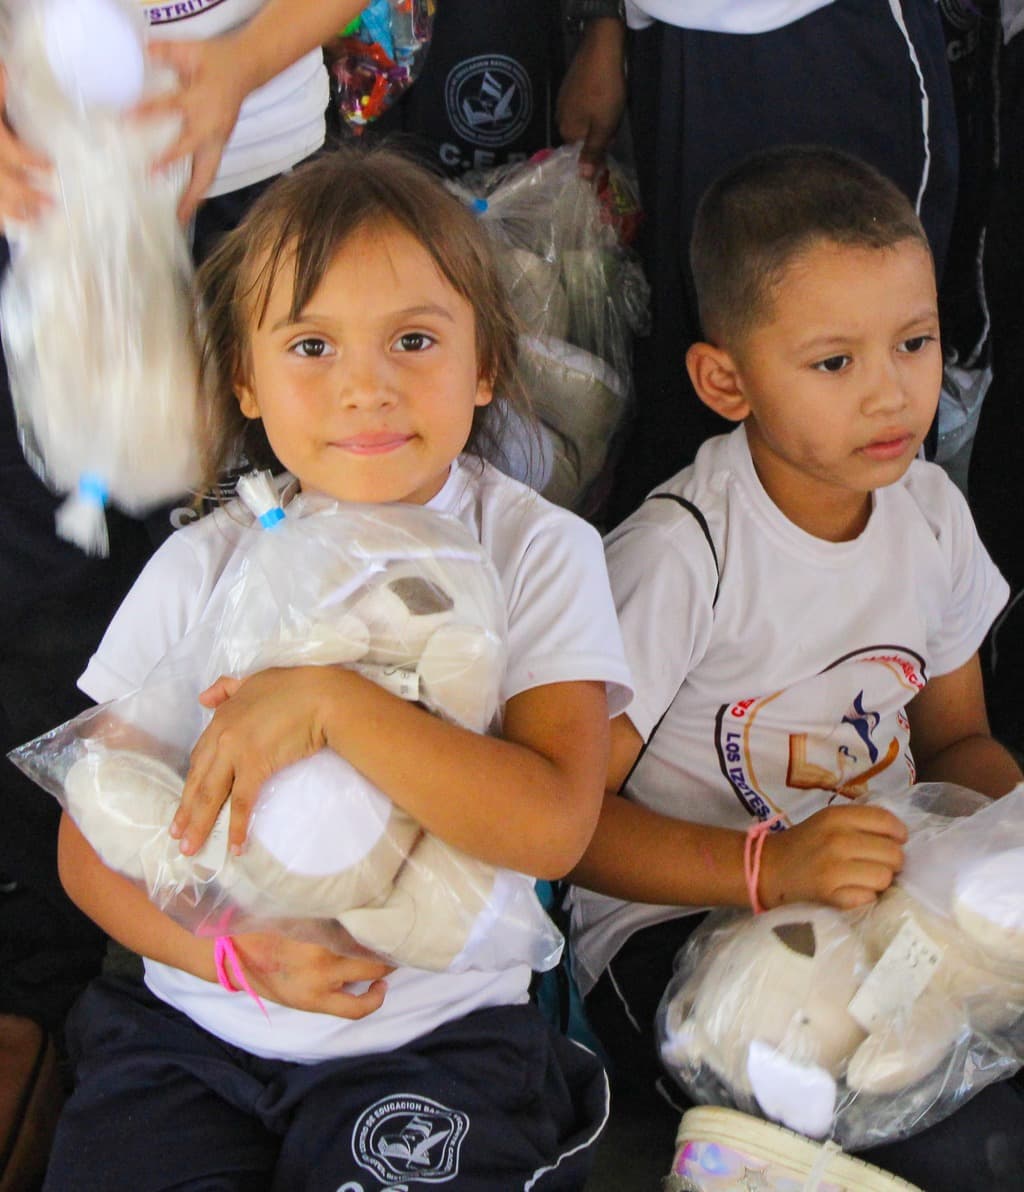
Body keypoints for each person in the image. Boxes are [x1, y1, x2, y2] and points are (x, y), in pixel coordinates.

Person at [42, 144, 632, 1191]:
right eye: (311, 344)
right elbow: (90, 846)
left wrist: (330, 706)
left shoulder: (537, 550)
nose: (366, 386)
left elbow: (552, 826)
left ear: (484, 363)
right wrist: (231, 955)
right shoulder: (206, 559)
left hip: (436, 1042)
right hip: (194, 1034)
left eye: (414, 339)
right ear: (246, 379)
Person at [568, 145, 1024, 1189]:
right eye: (834, 363)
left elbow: (956, 740)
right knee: (955, 1142)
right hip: (685, 921)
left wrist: (1005, 848)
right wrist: (770, 869)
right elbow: (562, 821)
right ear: (726, 380)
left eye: (914, 342)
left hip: (882, 898)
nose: (890, 394)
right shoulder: (682, 554)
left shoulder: (931, 512)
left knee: (966, 1090)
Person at [0, 0, 366, 1034]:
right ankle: (40, 971)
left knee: (283, 554)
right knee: (42, 583)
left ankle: (292, 930)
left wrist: (241, 58)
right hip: (36, 188)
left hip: (252, 174)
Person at [557, 0, 959, 522]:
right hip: (672, 37)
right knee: (698, 376)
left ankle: (859, 577)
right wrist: (603, 23)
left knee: (856, 331)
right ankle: (730, 593)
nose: (889, 399)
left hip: (830, 36)